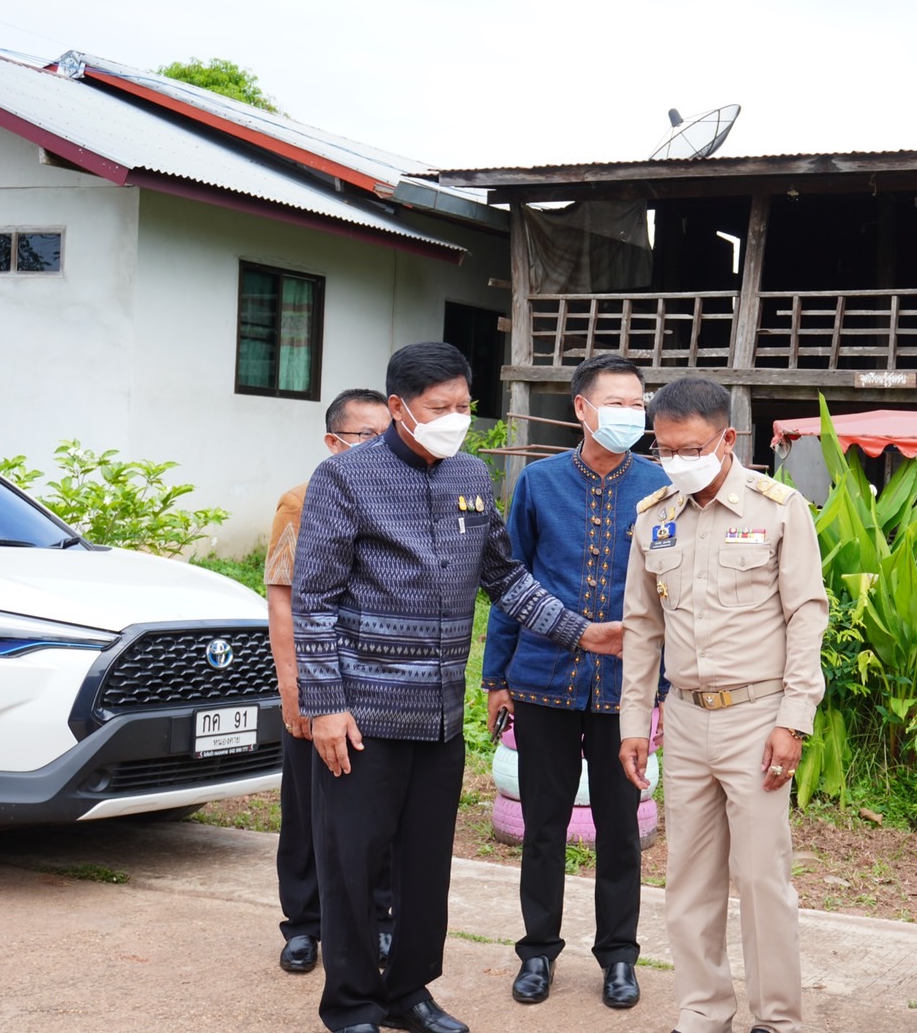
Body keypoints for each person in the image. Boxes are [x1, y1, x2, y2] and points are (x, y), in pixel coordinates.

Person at [294, 342, 623, 1033]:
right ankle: (351, 1002)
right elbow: (313, 601)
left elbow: (504, 578)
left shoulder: (472, 475)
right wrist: (324, 706)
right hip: (363, 716)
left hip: (440, 718)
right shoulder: (345, 479)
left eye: (463, 407)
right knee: (353, 866)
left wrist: (581, 632)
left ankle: (409, 993)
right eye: (438, 408)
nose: (454, 419)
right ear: (397, 408)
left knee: (425, 868)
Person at [618, 378, 827, 1033]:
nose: (678, 459)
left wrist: (794, 720)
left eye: (692, 447)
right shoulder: (653, 515)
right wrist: (633, 722)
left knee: (763, 883)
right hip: (682, 719)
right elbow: (641, 625)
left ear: (727, 439)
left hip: (756, 719)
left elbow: (805, 616)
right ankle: (703, 1012)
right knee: (688, 883)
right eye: (667, 448)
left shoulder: (779, 508)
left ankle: (777, 1020)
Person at [481, 354, 669, 1009]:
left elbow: (673, 596)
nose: (630, 413)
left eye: (636, 402)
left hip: (626, 687)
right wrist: (495, 677)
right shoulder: (537, 483)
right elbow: (510, 581)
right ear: (581, 410)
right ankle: (537, 953)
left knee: (622, 828)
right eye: (616, 401)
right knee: (543, 826)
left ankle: (619, 956)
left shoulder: (660, 486)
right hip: (541, 681)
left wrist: (662, 691)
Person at [268, 388, 395, 976]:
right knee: (308, 809)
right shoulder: (300, 501)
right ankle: (304, 924)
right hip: (318, 682)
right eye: (365, 435)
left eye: (385, 433)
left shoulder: (397, 497)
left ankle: (378, 918)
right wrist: (295, 691)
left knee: (376, 814)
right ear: (333, 442)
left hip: (377, 685)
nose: (379, 446)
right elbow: (284, 600)